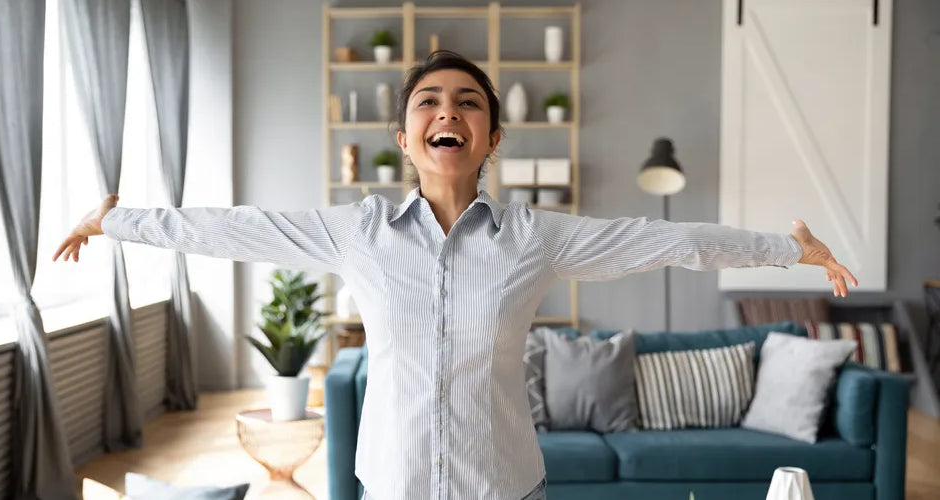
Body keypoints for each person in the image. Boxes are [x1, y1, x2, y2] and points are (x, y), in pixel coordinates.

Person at [53, 51, 857, 500]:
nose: (448, 113)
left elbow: (661, 240)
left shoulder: (536, 237)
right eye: (429, 102)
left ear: (491, 137)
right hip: (394, 486)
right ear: (405, 138)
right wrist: (113, 220)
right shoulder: (358, 229)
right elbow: (238, 228)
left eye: (468, 103)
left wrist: (791, 249)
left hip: (504, 486)